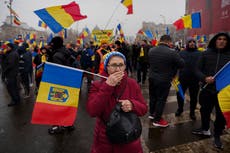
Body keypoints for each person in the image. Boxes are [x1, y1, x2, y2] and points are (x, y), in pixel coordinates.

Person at [86, 52, 147, 153]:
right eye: (114, 65)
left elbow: (144, 109)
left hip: (128, 136)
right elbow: (92, 111)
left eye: (121, 65)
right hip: (105, 138)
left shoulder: (132, 83)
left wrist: (132, 105)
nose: (118, 69)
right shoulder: (97, 85)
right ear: (107, 67)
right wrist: (108, 86)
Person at [192, 32, 230, 149]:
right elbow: (196, 70)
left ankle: (217, 135)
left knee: (220, 115)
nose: (222, 41)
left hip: (223, 92)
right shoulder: (205, 54)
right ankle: (205, 128)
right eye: (219, 39)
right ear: (215, 40)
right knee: (204, 111)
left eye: (224, 39)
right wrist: (204, 78)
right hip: (207, 90)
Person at [148, 35, 184, 127]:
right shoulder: (172, 52)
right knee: (161, 99)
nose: (172, 44)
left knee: (153, 97)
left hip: (152, 77)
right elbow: (181, 64)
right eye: (171, 42)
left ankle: (152, 114)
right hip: (163, 79)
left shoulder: (151, 50)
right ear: (168, 41)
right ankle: (157, 120)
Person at [47, 36, 75, 134]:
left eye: (52, 43)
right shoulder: (66, 52)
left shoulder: (56, 55)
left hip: (59, 84)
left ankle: (57, 126)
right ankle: (68, 124)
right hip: (69, 82)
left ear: (55, 44)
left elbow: (57, 72)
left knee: (57, 105)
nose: (50, 45)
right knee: (66, 104)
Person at [175, 37, 201, 120]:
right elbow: (176, 64)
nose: (192, 43)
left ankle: (192, 112)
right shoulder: (181, 53)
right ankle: (180, 109)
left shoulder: (200, 53)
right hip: (183, 78)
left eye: (194, 42)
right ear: (187, 43)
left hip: (195, 79)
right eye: (190, 42)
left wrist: (202, 78)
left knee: (194, 97)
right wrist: (175, 75)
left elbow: (203, 66)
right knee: (180, 95)